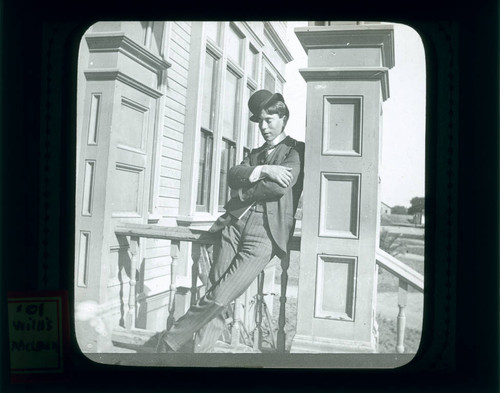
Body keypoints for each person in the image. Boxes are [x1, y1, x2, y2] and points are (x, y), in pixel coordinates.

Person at [156, 89, 304, 353]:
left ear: (283, 118)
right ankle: (199, 357)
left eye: (269, 120)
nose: (263, 126)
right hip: (233, 226)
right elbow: (232, 175)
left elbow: (279, 189)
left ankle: (170, 340)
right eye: (260, 121)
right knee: (215, 289)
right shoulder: (256, 154)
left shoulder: (296, 151)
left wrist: (242, 191)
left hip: (265, 233)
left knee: (223, 294)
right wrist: (264, 170)